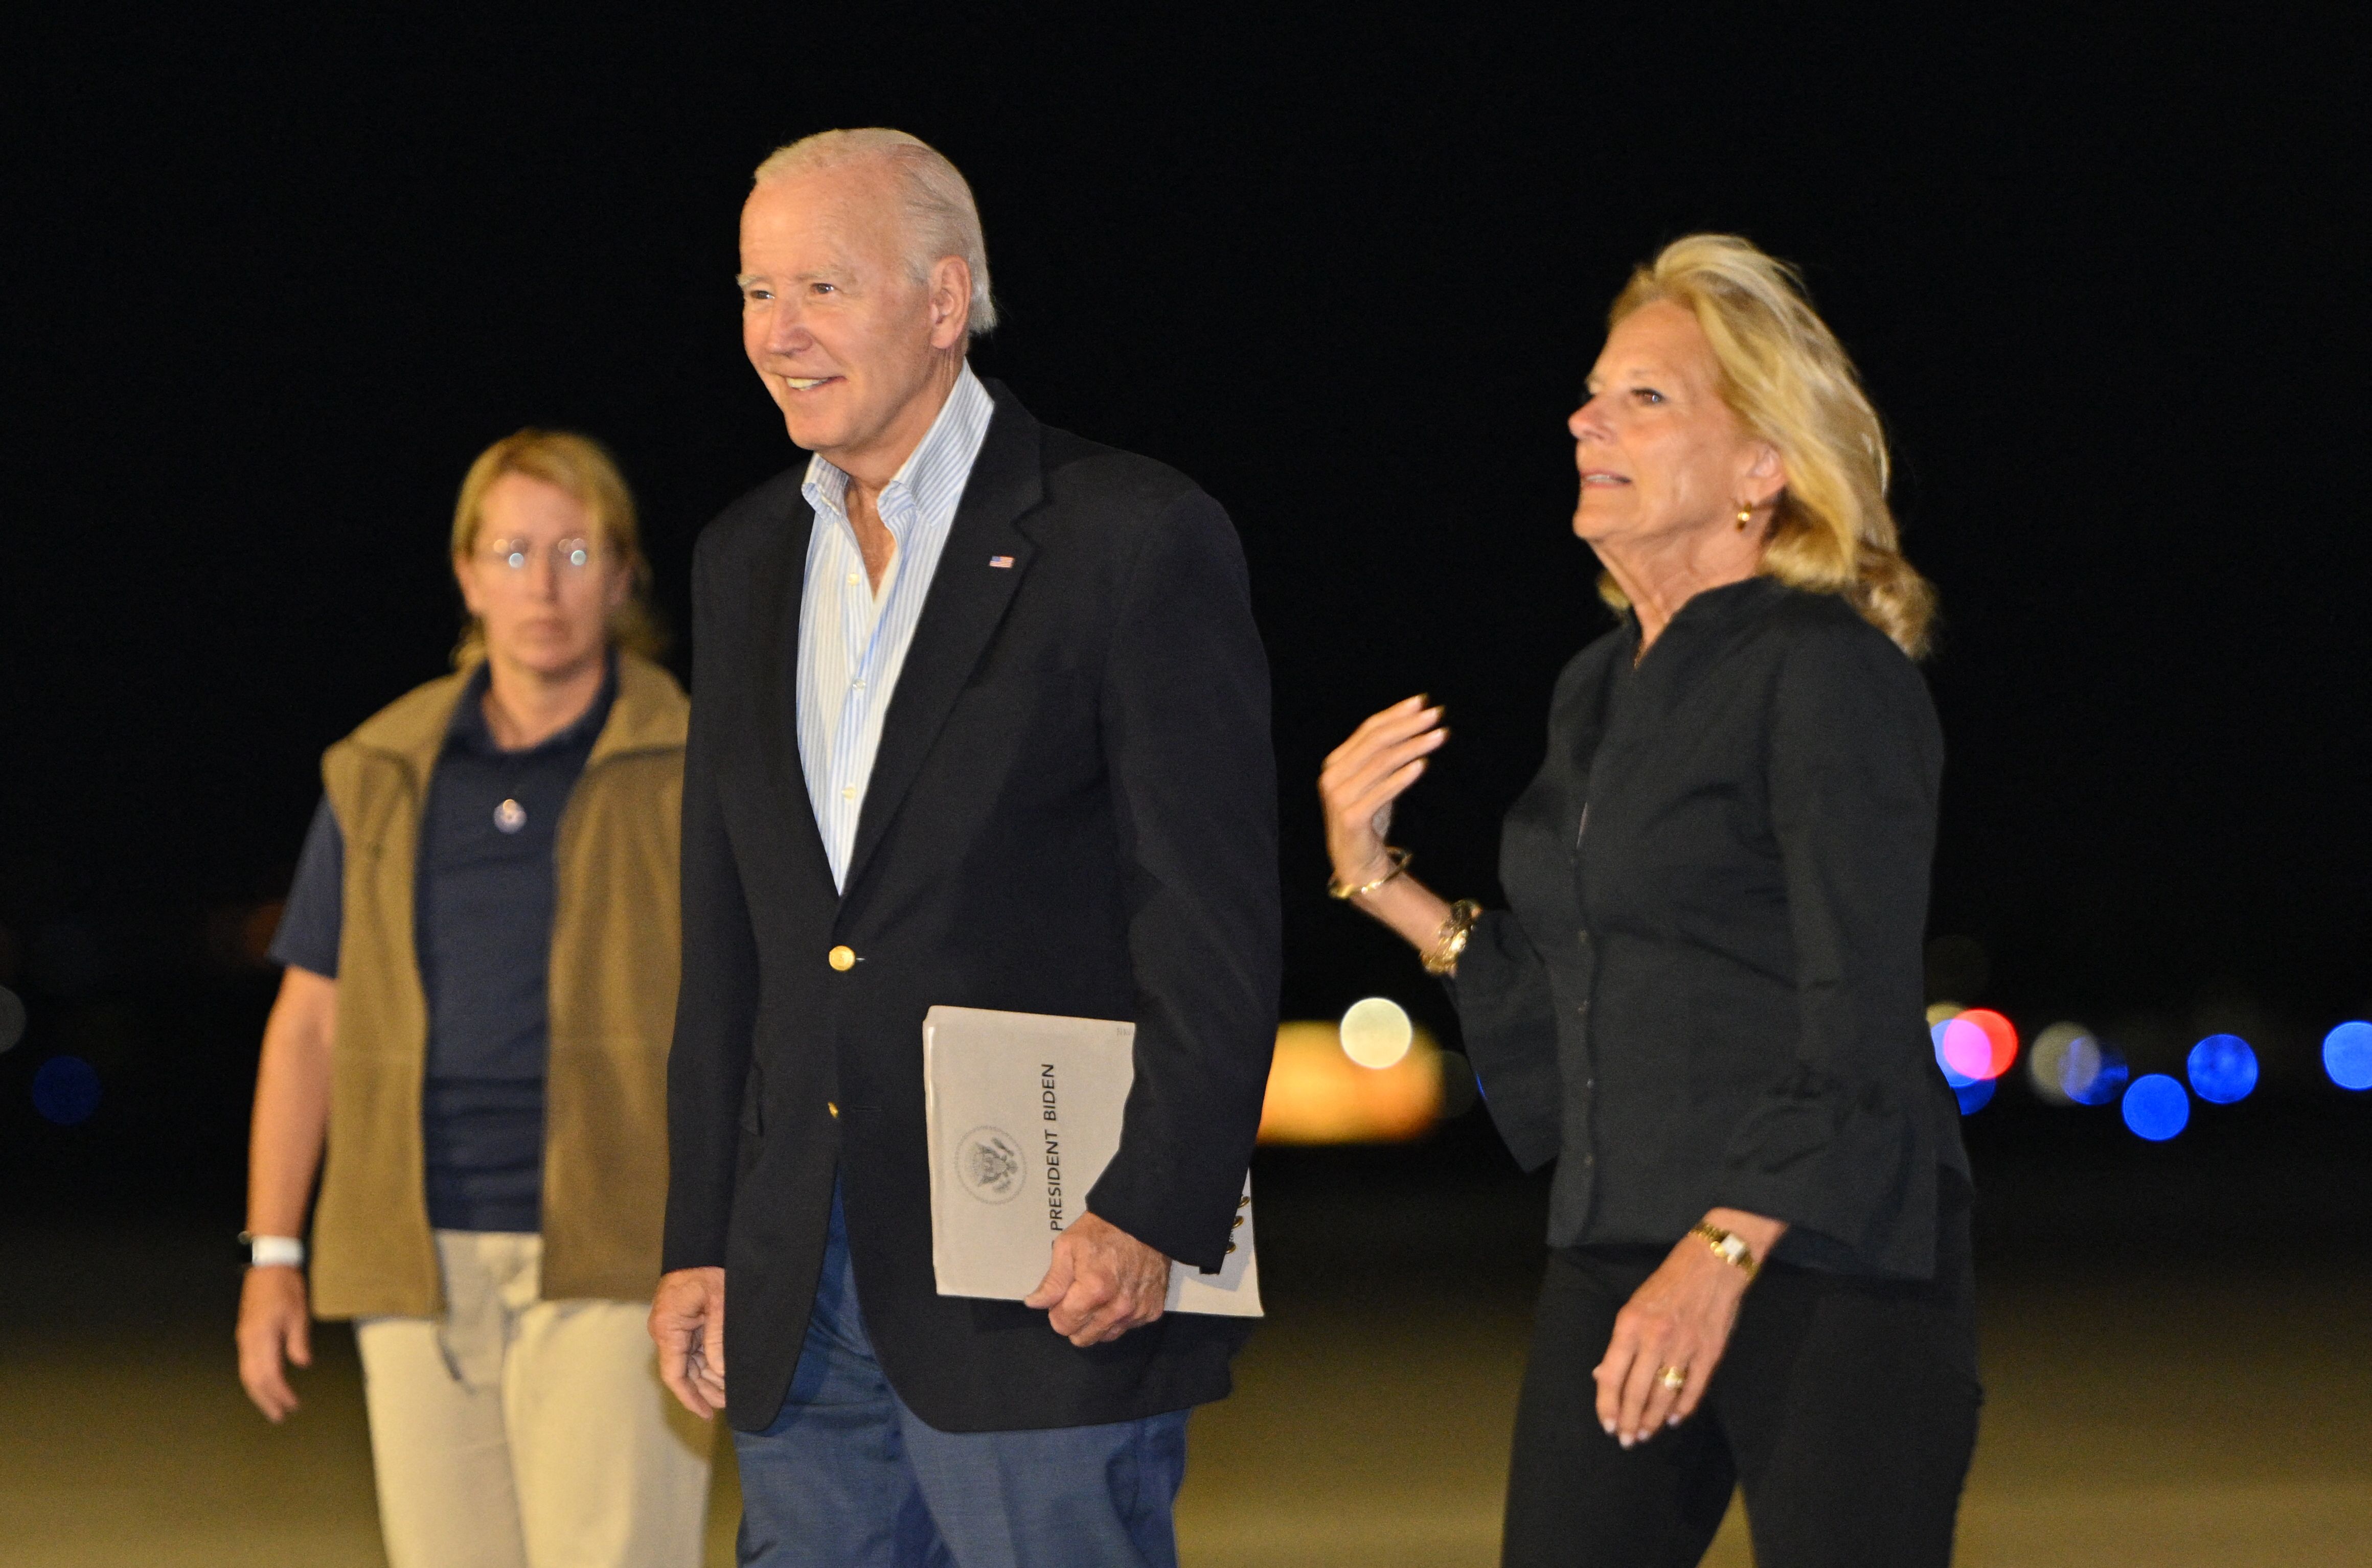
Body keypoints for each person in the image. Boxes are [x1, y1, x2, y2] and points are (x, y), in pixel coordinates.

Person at [649, 128, 1279, 1568]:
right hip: (798, 1289)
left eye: (820, 285)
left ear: (945, 302)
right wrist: (701, 1233)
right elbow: (732, 933)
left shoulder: (1130, 535)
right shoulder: (744, 559)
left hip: (1050, 1273)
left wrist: (1150, 1205)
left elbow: (1211, 920)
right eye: (754, 291)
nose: (777, 333)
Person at [1319, 235, 1979, 1566]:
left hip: (1824, 1257)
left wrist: (1723, 1253)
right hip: (1621, 1242)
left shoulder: (1828, 675)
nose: (1585, 419)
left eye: (1646, 399)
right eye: (1591, 392)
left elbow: (1851, 1017)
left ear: (1762, 468)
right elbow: (1585, 986)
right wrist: (1378, 880)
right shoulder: (1598, 686)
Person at [236, 430, 711, 1568]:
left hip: (619, 1252)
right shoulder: (379, 768)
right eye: (511, 552)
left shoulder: (698, 764)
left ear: (626, 571)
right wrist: (273, 1257)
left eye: (574, 552)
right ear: (465, 572)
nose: (542, 587)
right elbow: (308, 1022)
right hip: (414, 1254)